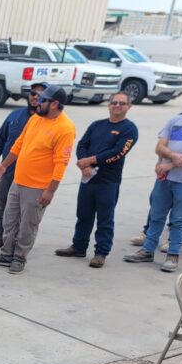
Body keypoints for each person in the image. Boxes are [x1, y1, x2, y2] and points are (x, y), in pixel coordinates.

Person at [0, 85, 76, 275]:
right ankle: (6, 254)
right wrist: (4, 165)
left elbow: (61, 163)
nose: (37, 102)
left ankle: (19, 258)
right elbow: (19, 144)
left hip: (38, 187)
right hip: (18, 181)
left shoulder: (65, 128)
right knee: (10, 220)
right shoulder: (35, 118)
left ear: (54, 104)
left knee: (28, 225)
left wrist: (50, 191)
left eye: (42, 99)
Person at [124, 85, 182, 273]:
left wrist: (170, 164)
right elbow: (160, 146)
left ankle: (173, 255)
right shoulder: (176, 120)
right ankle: (147, 250)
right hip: (164, 179)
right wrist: (162, 161)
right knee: (156, 215)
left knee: (179, 219)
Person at [54, 92, 138, 268]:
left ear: (129, 106)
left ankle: (101, 253)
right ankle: (78, 246)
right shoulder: (97, 125)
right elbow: (82, 144)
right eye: (114, 102)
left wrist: (91, 160)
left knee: (105, 219)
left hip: (108, 182)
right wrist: (84, 166)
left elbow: (118, 152)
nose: (117, 105)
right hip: (88, 179)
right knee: (83, 215)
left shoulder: (129, 129)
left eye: (122, 103)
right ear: (109, 104)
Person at [0, 83, 46, 250]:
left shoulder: (46, 122)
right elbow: (0, 139)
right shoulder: (14, 115)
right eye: (33, 93)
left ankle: (18, 244)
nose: (35, 97)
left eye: (40, 95)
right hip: (9, 170)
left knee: (26, 211)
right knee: (4, 204)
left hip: (31, 175)